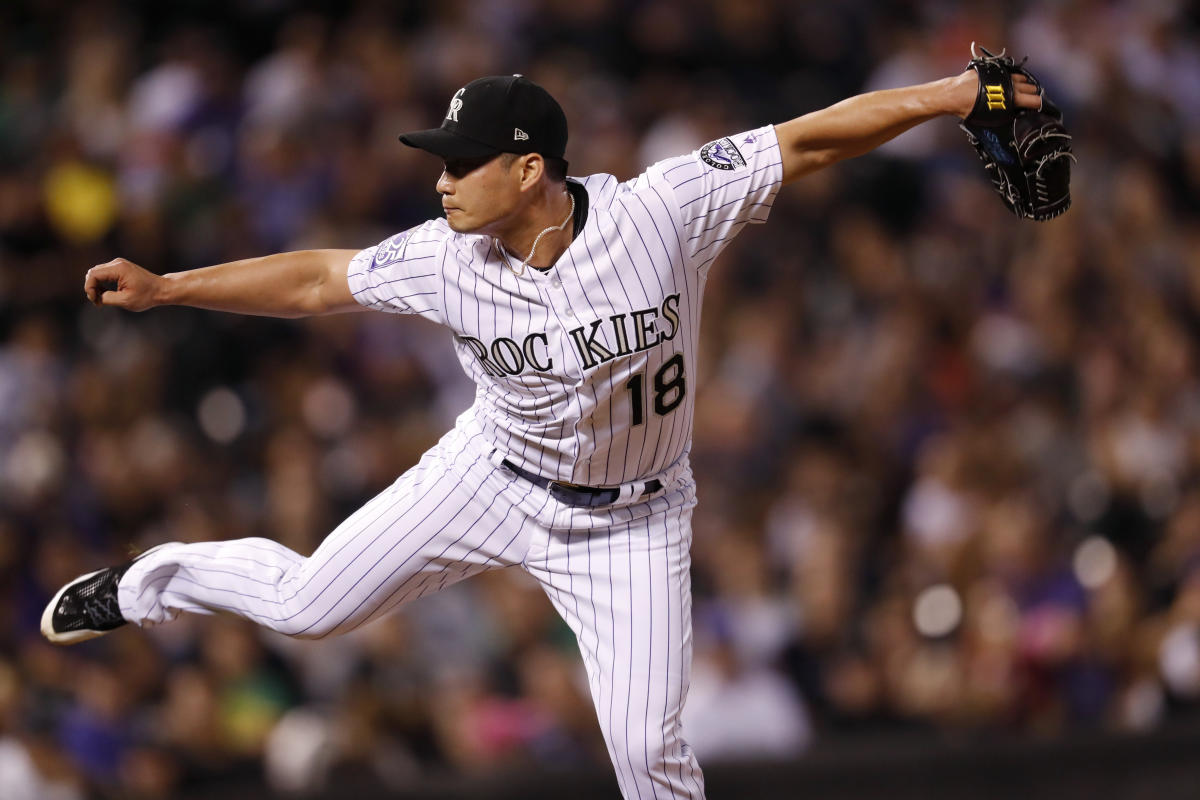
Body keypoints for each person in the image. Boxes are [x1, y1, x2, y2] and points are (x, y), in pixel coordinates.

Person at [43, 68, 1042, 797]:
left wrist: (955, 93)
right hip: (497, 473)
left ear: (530, 170)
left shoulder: (660, 211)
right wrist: (173, 286)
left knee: (649, 756)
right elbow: (315, 278)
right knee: (308, 604)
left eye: (463, 164)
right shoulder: (446, 256)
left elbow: (812, 138)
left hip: (636, 522)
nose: (443, 181)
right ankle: (144, 583)